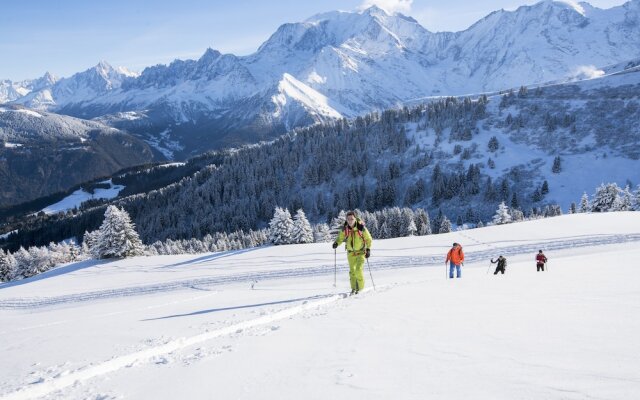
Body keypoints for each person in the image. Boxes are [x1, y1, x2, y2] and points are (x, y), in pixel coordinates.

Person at [332, 211, 372, 294]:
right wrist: (336, 243)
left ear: (355, 219)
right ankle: (353, 288)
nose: (350, 221)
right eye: (348, 219)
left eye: (352, 219)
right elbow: (340, 237)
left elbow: (368, 238)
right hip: (350, 253)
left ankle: (360, 289)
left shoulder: (361, 227)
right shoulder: (345, 228)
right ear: (346, 219)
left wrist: (368, 249)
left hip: (361, 252)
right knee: (352, 272)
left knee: (358, 270)